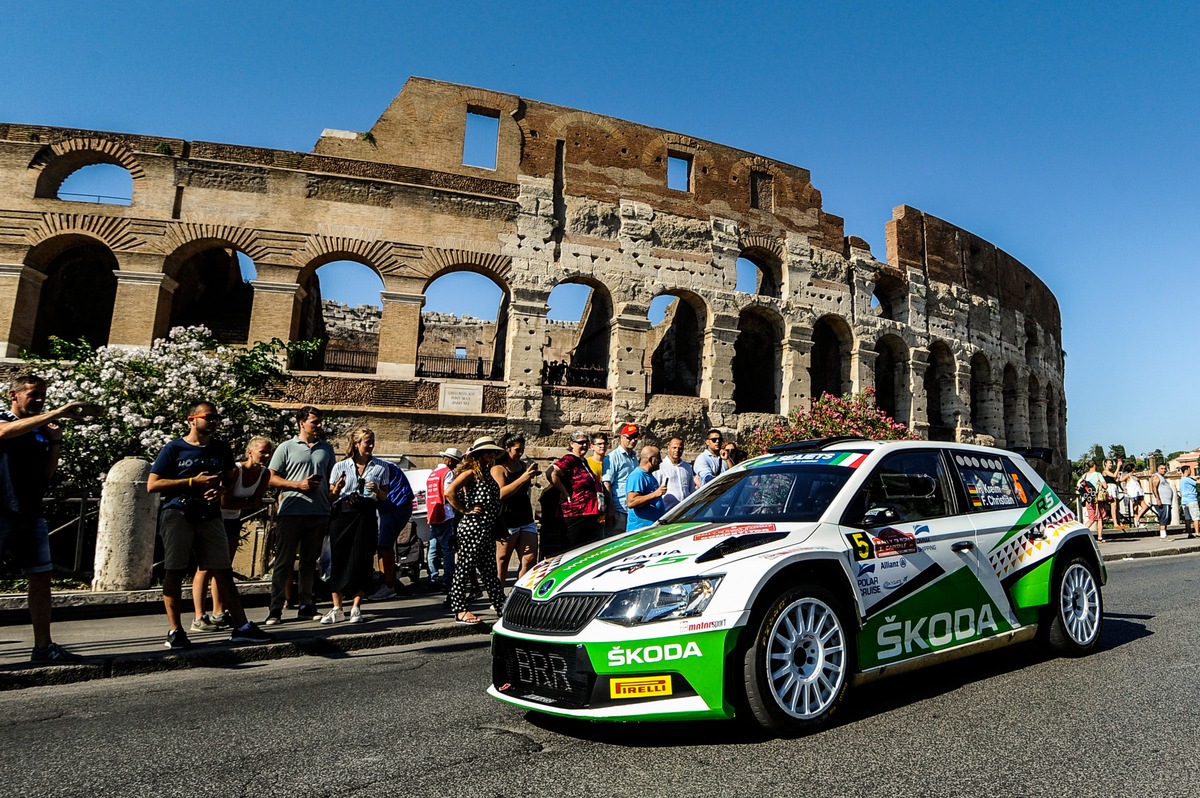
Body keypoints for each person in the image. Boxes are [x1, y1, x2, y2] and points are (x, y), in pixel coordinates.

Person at [147, 400, 271, 648]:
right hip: (178, 514)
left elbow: (228, 480)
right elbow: (153, 484)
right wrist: (193, 482)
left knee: (222, 570)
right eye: (208, 417)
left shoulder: (220, 449)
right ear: (191, 419)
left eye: (216, 418)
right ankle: (175, 631)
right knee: (174, 571)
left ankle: (241, 626)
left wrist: (220, 491)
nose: (214, 422)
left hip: (211, 516)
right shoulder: (174, 449)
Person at [0, 375, 99, 663]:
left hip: (30, 513)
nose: (41, 399)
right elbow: (4, 433)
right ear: (13, 395)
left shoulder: (41, 429)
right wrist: (55, 413)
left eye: (44, 395)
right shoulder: (5, 419)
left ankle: (43, 647)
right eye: (34, 394)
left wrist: (55, 441)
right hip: (2, 511)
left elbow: (46, 475)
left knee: (41, 577)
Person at [192, 435, 274, 632]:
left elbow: (257, 500)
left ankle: (218, 613)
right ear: (250, 452)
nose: (266, 455)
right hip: (214, 518)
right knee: (205, 567)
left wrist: (245, 504)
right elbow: (226, 502)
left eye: (268, 452)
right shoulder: (235, 471)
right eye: (262, 451)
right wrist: (247, 503)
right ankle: (198, 616)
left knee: (224, 566)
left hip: (233, 520)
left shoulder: (265, 474)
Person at [265, 406, 336, 625]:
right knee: (283, 561)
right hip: (291, 512)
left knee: (309, 562)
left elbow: (331, 478)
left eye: (320, 422)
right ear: (301, 423)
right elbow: (270, 477)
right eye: (314, 422)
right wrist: (297, 485)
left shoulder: (327, 449)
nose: (319, 426)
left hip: (319, 512)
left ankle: (306, 604)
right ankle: (275, 608)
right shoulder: (286, 447)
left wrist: (336, 490)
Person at [322, 428, 388, 624]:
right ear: (357, 443)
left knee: (363, 558)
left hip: (366, 514)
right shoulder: (340, 466)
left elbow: (384, 496)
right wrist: (338, 489)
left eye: (372, 441)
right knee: (339, 557)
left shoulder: (381, 467)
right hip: (343, 514)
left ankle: (356, 606)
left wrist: (376, 490)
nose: (370, 446)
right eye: (367, 442)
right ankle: (336, 607)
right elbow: (331, 496)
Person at [444, 437, 507, 625]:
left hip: (486, 529)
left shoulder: (486, 474)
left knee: (489, 571)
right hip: (473, 527)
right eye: (488, 452)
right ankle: (460, 609)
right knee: (464, 567)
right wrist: (464, 509)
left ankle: (501, 606)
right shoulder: (471, 473)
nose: (491, 455)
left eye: (494, 452)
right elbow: (449, 492)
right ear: (478, 454)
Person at [546, 429, 602, 557]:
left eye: (586, 442)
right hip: (576, 512)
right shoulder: (570, 459)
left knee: (586, 551)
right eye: (581, 442)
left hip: (589, 512)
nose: (584, 445)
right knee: (572, 550)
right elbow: (551, 473)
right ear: (572, 444)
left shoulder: (583, 461)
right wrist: (565, 492)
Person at [493, 432, 540, 583]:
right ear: (507, 448)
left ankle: (520, 593)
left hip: (525, 516)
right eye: (517, 450)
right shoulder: (498, 469)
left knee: (530, 557)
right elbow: (501, 493)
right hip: (507, 518)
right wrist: (522, 479)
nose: (520, 453)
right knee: (502, 560)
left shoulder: (522, 466)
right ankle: (498, 597)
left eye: (522, 449)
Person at [373, 458, 413, 599]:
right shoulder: (387, 466)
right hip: (396, 505)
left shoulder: (379, 466)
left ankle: (387, 585)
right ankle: (386, 582)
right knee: (383, 545)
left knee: (384, 545)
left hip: (393, 506)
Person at [425, 447, 463, 587]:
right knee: (447, 548)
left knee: (433, 548)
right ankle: (448, 578)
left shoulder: (433, 474)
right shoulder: (447, 473)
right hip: (445, 514)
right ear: (450, 460)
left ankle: (433, 577)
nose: (456, 465)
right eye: (456, 462)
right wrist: (460, 507)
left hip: (433, 513)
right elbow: (448, 492)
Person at [602, 423, 640, 536]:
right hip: (618, 508)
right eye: (629, 437)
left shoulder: (634, 457)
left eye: (635, 438)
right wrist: (610, 507)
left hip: (631, 508)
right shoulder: (612, 457)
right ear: (622, 437)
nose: (633, 441)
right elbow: (607, 483)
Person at [625, 446, 668, 532]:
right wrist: (655, 494)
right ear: (651, 459)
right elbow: (632, 502)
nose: (661, 461)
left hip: (651, 529)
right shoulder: (637, 476)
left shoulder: (649, 475)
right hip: (640, 530)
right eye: (659, 458)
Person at [657, 436, 694, 511]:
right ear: (668, 448)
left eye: (680, 448)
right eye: (674, 447)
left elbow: (691, 489)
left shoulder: (687, 467)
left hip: (685, 511)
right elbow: (656, 488)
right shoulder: (661, 466)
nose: (677, 450)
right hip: (667, 511)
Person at [1078, 460, 1106, 542]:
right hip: (1097, 499)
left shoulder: (1084, 476)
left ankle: (1080, 532)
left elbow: (1079, 485)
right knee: (1099, 518)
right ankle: (1100, 537)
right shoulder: (1098, 475)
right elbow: (1105, 485)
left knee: (1091, 518)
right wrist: (1100, 484)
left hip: (1088, 499)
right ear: (1094, 466)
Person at [1149, 462, 1174, 540]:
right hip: (1162, 501)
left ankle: (1164, 534)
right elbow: (1154, 488)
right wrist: (1158, 499)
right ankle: (1163, 535)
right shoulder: (1157, 476)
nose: (1164, 470)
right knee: (1164, 517)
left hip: (1166, 501)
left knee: (1166, 518)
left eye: (1165, 468)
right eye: (1162, 469)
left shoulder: (1163, 478)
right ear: (1158, 469)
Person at [1122, 463, 1148, 528]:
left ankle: (1137, 519)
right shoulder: (1128, 476)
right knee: (1136, 508)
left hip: (1139, 493)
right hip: (1133, 493)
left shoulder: (1134, 476)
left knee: (1144, 507)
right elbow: (1120, 480)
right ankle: (1137, 522)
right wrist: (1124, 489)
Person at [1102, 458, 1124, 528]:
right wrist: (1118, 467)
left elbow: (1116, 478)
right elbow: (1114, 476)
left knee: (1117, 506)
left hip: (1114, 487)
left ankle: (1119, 522)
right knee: (1113, 506)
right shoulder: (1105, 471)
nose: (1111, 464)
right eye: (1109, 463)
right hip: (1110, 488)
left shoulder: (1111, 472)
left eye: (1111, 463)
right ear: (1105, 464)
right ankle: (1115, 523)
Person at [1179, 465, 1200, 540]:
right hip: (1191, 499)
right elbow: (1197, 482)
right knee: (1196, 517)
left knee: (1187, 518)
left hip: (1184, 500)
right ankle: (1197, 533)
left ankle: (1189, 533)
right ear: (1187, 470)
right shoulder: (1187, 479)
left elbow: (1180, 492)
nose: (1190, 471)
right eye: (1190, 469)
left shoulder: (1181, 480)